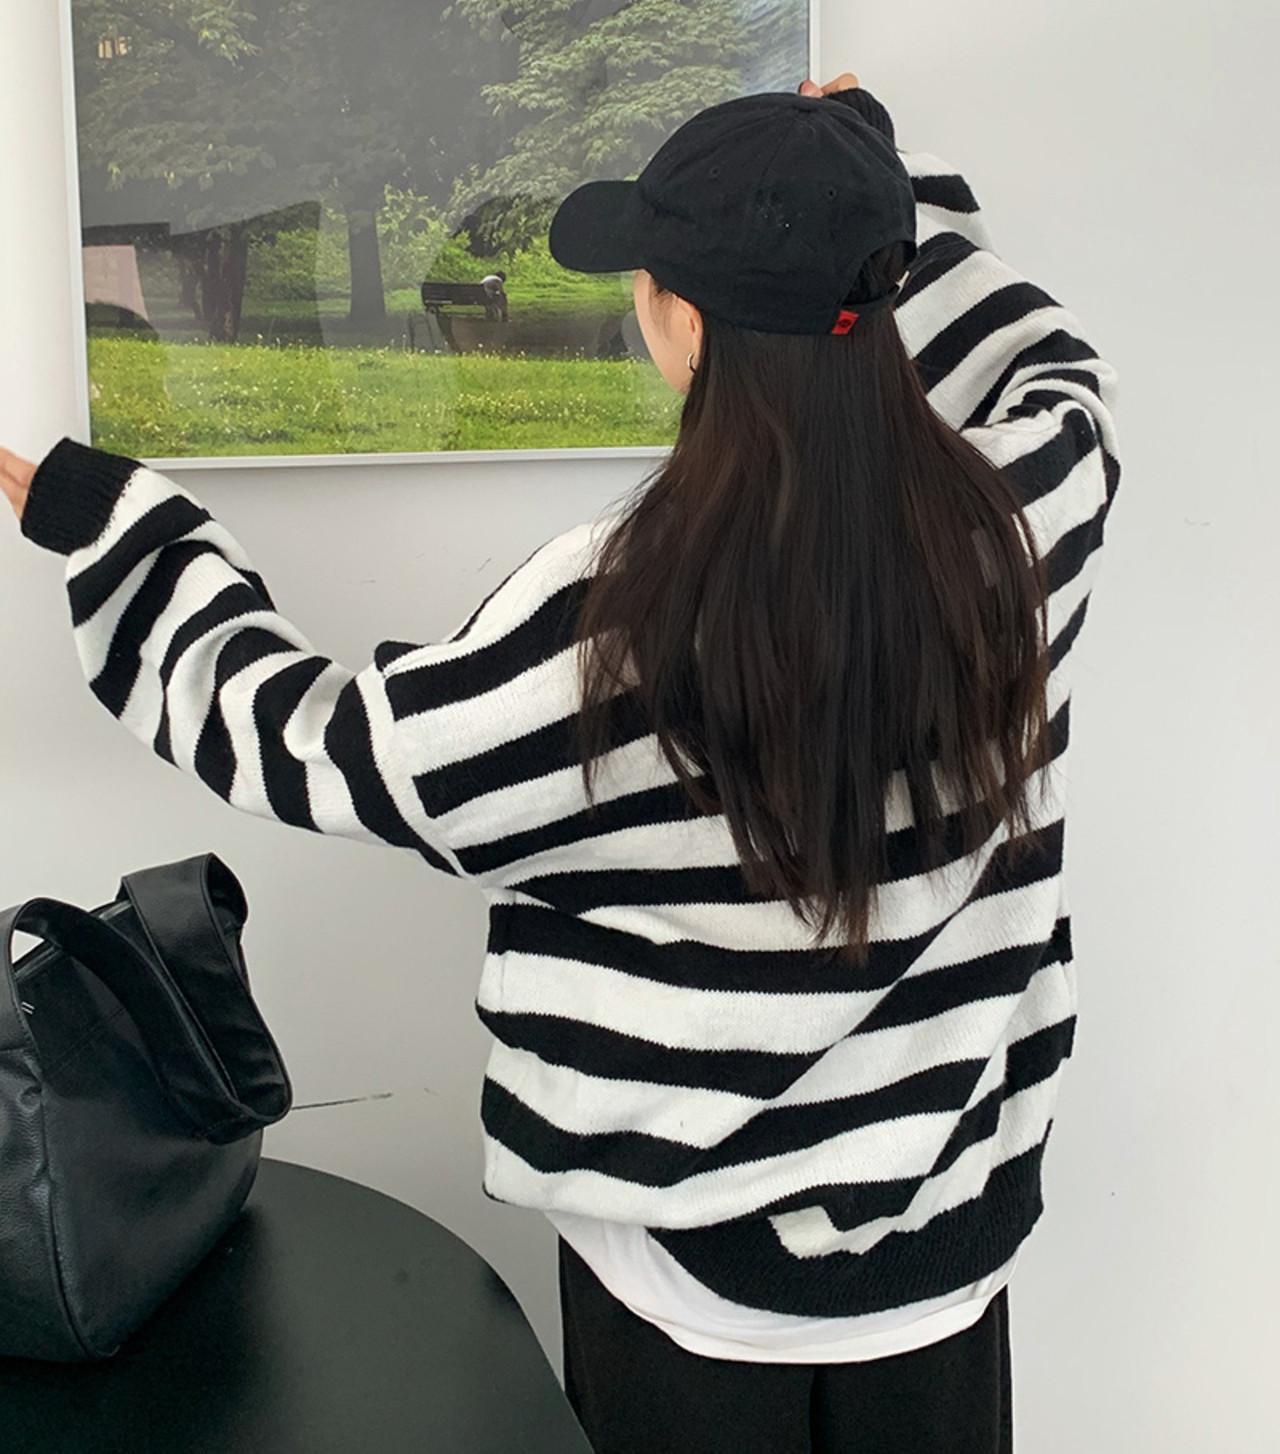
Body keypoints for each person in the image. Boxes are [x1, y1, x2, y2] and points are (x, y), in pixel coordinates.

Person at [0, 73, 1120, 1454]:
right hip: (949, 1253)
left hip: (690, 1279)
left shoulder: (624, 623)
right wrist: (884, 189)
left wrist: (125, 535)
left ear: (688, 324)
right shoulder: (1027, 525)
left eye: (648, 280)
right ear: (884, 297)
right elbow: (1051, 368)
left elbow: (324, 748)